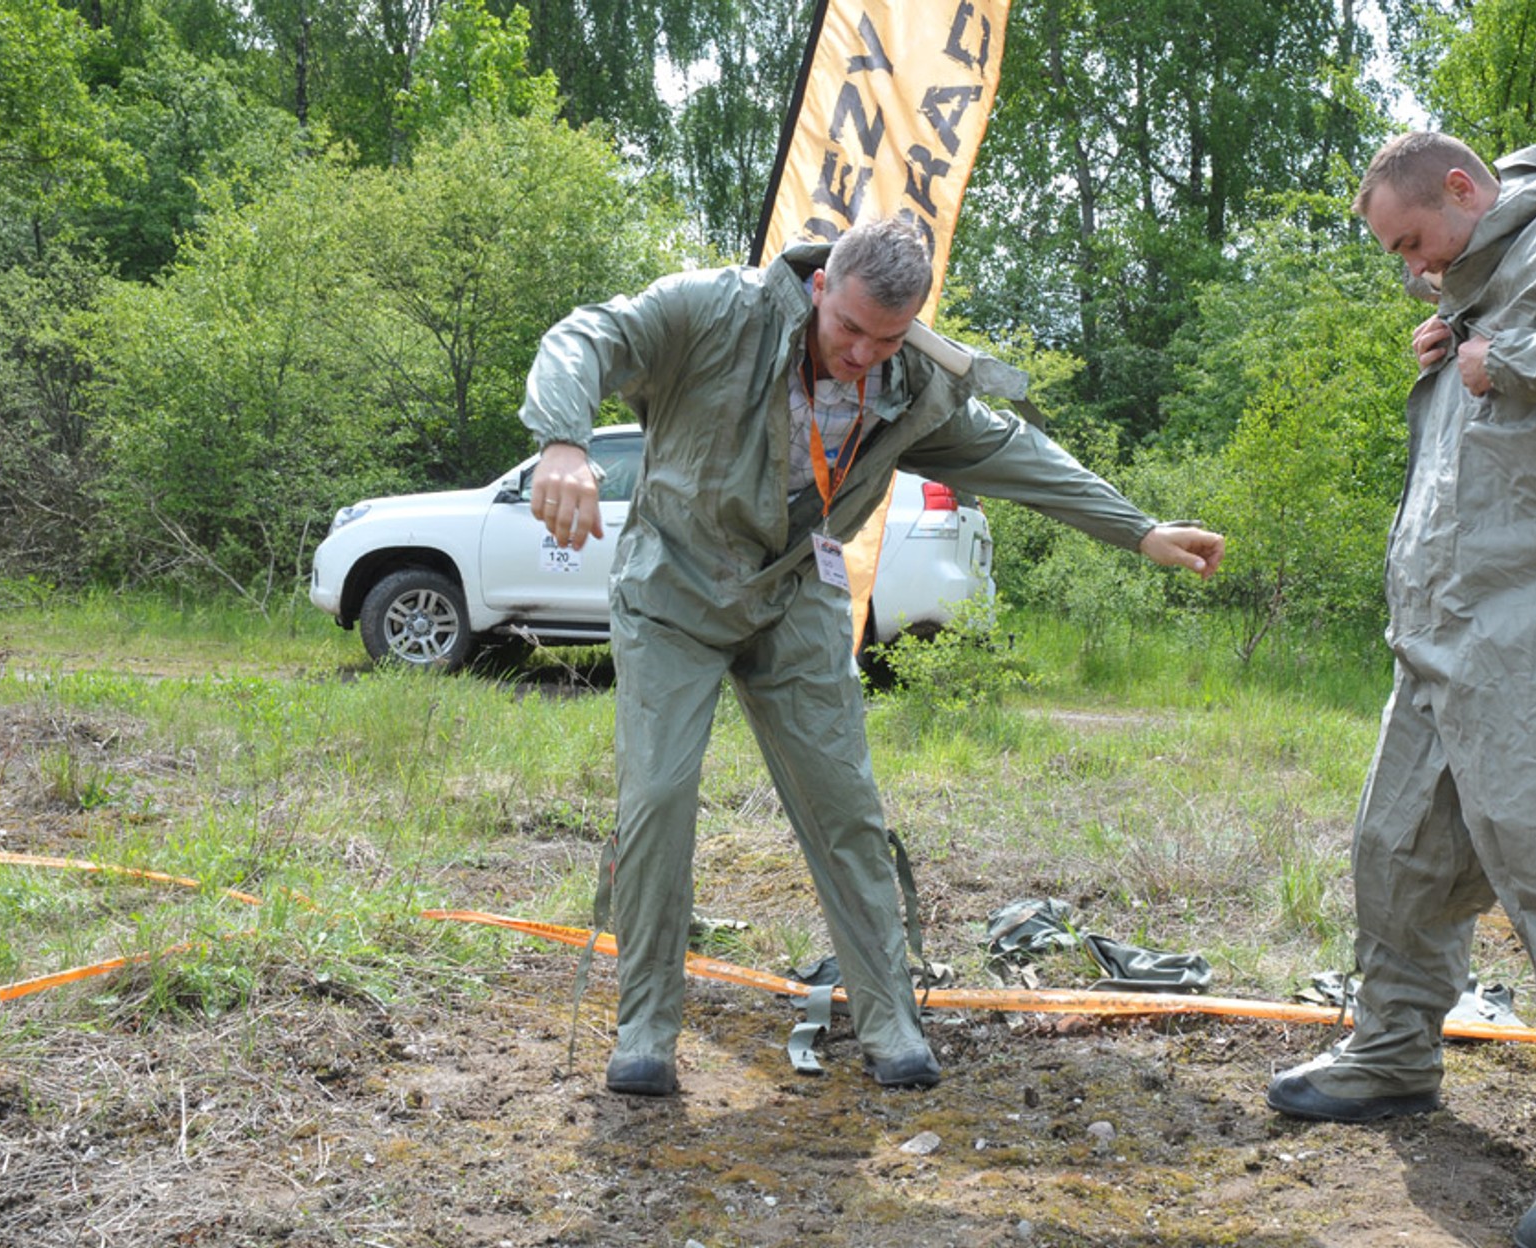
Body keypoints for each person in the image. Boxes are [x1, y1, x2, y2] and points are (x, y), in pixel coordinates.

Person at [517, 211, 1225, 1098]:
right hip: (675, 590)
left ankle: (889, 1014)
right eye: (848, 327)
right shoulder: (714, 311)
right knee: (659, 798)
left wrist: (1141, 530)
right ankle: (648, 1027)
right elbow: (585, 335)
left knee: (846, 806)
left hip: (796, 591)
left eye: (885, 338)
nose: (860, 353)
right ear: (821, 289)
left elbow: (1015, 453)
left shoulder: (914, 383)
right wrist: (562, 440)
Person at [1264, 126, 1536, 1248]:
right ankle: (1393, 1051)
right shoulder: (1483, 283)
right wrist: (1456, 352)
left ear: (1463, 189)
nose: (1410, 266)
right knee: (1395, 851)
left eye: (1413, 239)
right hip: (1441, 636)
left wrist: (1513, 360)